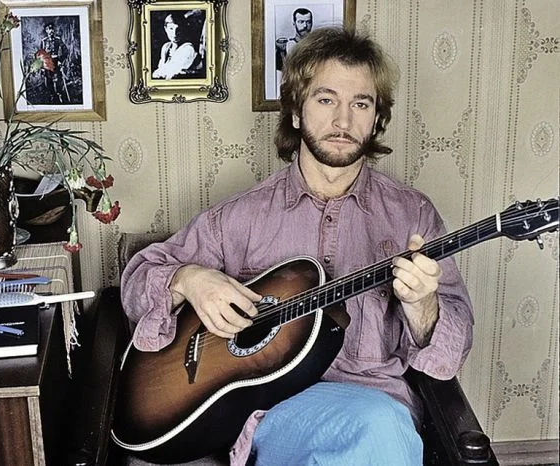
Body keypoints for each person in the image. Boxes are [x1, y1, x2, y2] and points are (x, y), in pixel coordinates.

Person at [121, 27, 473, 466]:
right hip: (274, 412)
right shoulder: (240, 217)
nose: (343, 121)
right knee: (380, 431)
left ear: (376, 118)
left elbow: (450, 354)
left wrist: (423, 307)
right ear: (294, 112)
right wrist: (189, 279)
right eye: (326, 100)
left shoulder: (412, 217)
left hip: (378, 404)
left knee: (380, 427)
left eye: (361, 104)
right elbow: (136, 284)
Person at [152, 12, 198, 80]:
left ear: (183, 29)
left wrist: (161, 74)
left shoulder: (188, 49)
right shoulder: (166, 47)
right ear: (165, 29)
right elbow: (160, 69)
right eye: (171, 29)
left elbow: (176, 73)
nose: (174, 33)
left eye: (178, 29)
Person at [37, 22, 69, 103]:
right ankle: (52, 96)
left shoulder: (58, 40)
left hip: (56, 62)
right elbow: (40, 54)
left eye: (52, 29)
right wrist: (42, 66)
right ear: (46, 31)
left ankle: (59, 95)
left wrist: (60, 61)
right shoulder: (43, 41)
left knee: (58, 79)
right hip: (47, 63)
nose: (51, 31)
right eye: (49, 29)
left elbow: (65, 51)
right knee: (48, 80)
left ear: (54, 30)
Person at [275, 8, 313, 72]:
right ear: (294, 23)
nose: (305, 26)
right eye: (301, 22)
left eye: (308, 22)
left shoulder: (318, 46)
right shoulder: (284, 47)